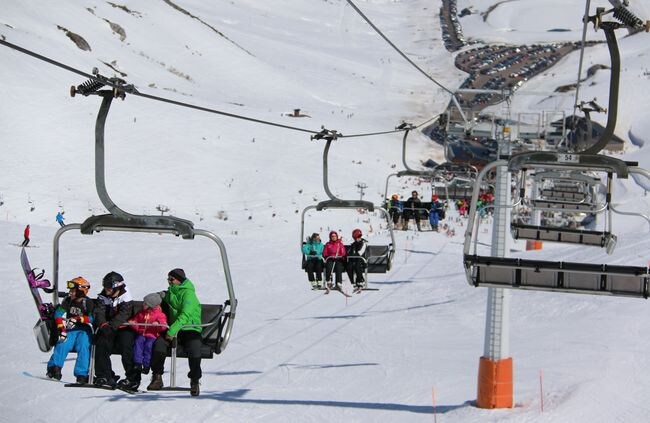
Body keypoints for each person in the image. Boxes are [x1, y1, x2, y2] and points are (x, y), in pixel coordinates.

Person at [148, 268, 203, 396]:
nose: (169, 281)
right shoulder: (172, 292)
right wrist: (159, 296)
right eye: (168, 279)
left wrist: (171, 331)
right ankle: (157, 377)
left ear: (179, 280)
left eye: (171, 279)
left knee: (194, 347)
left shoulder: (188, 294)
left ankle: (194, 380)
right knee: (159, 344)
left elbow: (185, 315)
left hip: (190, 328)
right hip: (174, 329)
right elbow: (166, 296)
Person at [93, 271, 139, 390]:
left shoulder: (125, 296)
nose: (106, 290)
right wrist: (103, 325)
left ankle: (132, 378)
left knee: (126, 346)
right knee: (102, 343)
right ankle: (104, 375)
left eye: (108, 288)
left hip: (124, 327)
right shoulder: (103, 296)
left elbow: (125, 313)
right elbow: (99, 312)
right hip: (108, 327)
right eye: (105, 287)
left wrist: (111, 325)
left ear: (116, 287)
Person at [46, 277, 94, 383]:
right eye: (70, 291)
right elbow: (58, 314)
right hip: (71, 329)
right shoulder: (68, 301)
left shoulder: (87, 303)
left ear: (81, 291)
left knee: (84, 346)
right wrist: (61, 329)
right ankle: (54, 368)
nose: (70, 293)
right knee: (63, 342)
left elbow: (92, 318)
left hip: (84, 329)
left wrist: (78, 319)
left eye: (73, 291)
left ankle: (81, 374)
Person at [128, 293, 168, 375]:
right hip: (141, 334)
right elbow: (136, 321)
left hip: (152, 335)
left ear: (151, 305)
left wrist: (158, 323)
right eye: (144, 303)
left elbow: (163, 325)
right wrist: (133, 323)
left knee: (148, 346)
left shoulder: (159, 314)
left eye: (145, 304)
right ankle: (138, 363)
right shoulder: (141, 313)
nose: (143, 305)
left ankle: (146, 365)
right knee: (138, 343)